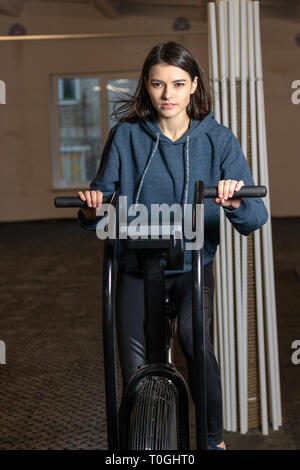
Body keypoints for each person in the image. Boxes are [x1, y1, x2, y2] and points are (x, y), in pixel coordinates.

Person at [77, 41, 268, 450]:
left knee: (195, 343)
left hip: (192, 265)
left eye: (178, 84)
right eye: (158, 84)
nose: (168, 95)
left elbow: (255, 219)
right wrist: (93, 207)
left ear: (194, 86)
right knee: (133, 364)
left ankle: (213, 441)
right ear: (146, 86)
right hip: (132, 263)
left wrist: (235, 201)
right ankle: (143, 444)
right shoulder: (125, 136)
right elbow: (96, 204)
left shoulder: (217, 140)